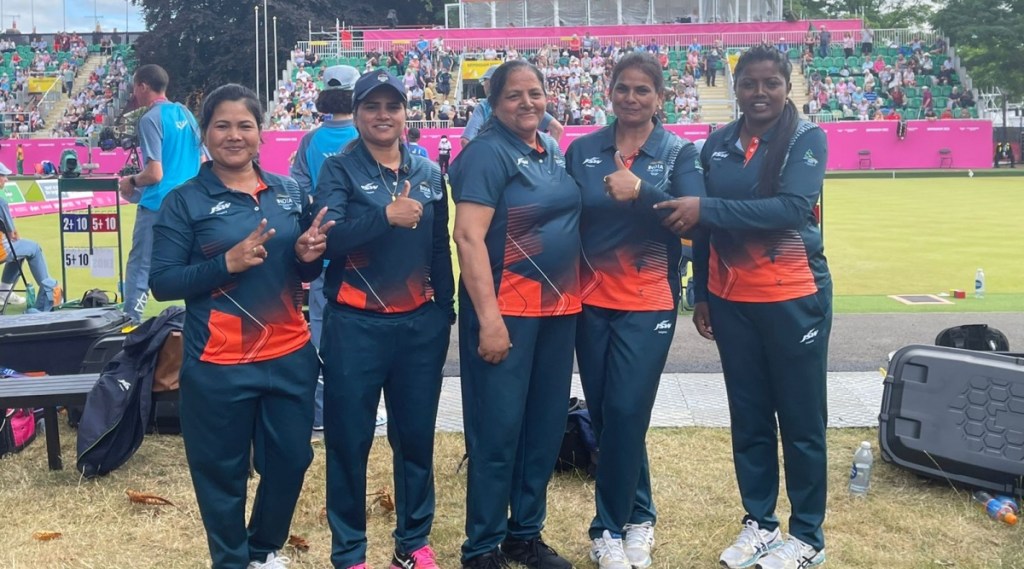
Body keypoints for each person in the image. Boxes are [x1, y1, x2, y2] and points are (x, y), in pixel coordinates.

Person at [654, 45, 831, 569]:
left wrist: (705, 207)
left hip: (793, 297)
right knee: (749, 418)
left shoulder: (806, 138)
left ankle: (806, 537)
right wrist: (703, 294)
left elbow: (791, 208)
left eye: (770, 83)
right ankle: (760, 521)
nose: (760, 93)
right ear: (735, 88)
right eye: (749, 83)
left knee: (801, 421)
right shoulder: (718, 143)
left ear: (787, 85)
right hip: (732, 302)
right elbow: (706, 228)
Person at [149, 83, 331, 569]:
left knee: (293, 460)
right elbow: (162, 283)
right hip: (218, 362)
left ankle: (261, 550)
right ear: (206, 135)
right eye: (222, 126)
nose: (234, 135)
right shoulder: (184, 201)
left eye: (244, 125)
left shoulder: (290, 191)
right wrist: (224, 264)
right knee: (222, 475)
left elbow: (302, 271)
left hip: (290, 356)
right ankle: (231, 561)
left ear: (260, 132)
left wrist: (308, 258)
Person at [565, 52, 706, 569]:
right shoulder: (582, 150)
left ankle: (606, 528)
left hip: (648, 302)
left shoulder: (678, 153)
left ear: (660, 99)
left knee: (626, 411)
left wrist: (642, 191)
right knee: (607, 416)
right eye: (623, 88)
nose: (631, 98)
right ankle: (640, 516)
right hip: (589, 302)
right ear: (609, 92)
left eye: (643, 90)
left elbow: (693, 223)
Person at [314, 70, 454, 569]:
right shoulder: (339, 168)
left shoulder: (427, 171)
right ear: (356, 114)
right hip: (356, 325)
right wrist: (383, 217)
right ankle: (350, 552)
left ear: (405, 114)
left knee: (414, 439)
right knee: (349, 443)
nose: (382, 116)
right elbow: (327, 240)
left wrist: (445, 312)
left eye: (391, 106)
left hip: (420, 327)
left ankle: (413, 544)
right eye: (371, 107)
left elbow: (439, 246)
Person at [450, 59, 580, 569]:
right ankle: (482, 545)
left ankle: (524, 535)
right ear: (493, 103)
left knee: (544, 429)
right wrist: (489, 319)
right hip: (507, 313)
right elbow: (468, 237)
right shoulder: (486, 153)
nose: (527, 102)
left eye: (536, 92)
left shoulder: (548, 149)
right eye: (514, 96)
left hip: (558, 310)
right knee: (498, 430)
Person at [289, 64, 360, 437]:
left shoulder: (311, 140)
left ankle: (319, 409)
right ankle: (355, 405)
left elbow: (300, 189)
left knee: (318, 324)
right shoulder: (364, 137)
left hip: (322, 245)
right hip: (361, 249)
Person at [118, 64, 203, 324]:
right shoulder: (186, 114)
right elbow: (202, 160)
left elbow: (155, 173)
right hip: (191, 203)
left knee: (140, 267)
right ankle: (196, 321)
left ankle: (130, 325)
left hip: (158, 204)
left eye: (135, 87)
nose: (134, 93)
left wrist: (130, 180)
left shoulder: (150, 119)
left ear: (143, 86)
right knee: (191, 264)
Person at [0, 162, 59, 311]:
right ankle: (50, 293)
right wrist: (14, 235)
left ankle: (3, 293)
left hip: (6, 249)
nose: (6, 180)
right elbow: (12, 233)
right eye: (3, 176)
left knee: (19, 251)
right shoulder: (1, 202)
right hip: (2, 250)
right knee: (33, 247)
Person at [460, 65, 564, 146]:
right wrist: (549, 158)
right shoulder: (524, 104)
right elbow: (557, 129)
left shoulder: (485, 106)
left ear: (492, 83)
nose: (484, 86)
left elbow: (466, 140)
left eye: (485, 82)